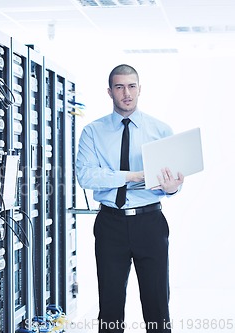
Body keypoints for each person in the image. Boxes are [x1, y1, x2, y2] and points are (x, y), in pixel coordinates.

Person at [76, 64, 184, 333]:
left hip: (150, 223)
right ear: (110, 92)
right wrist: (131, 176)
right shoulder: (93, 132)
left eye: (132, 86)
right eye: (120, 87)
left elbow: (170, 185)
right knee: (110, 306)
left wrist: (172, 187)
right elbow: (86, 177)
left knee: (157, 303)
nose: (127, 93)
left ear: (140, 89)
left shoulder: (160, 130)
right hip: (110, 224)